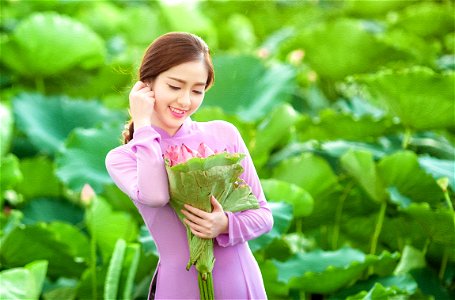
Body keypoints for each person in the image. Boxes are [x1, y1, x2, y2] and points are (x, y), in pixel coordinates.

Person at [105, 32, 274, 299]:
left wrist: (225, 225)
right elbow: (157, 196)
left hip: (240, 284)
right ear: (147, 85)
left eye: (197, 90)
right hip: (179, 287)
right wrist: (144, 128)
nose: (185, 101)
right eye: (175, 86)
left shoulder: (224, 134)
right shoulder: (123, 157)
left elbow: (263, 215)